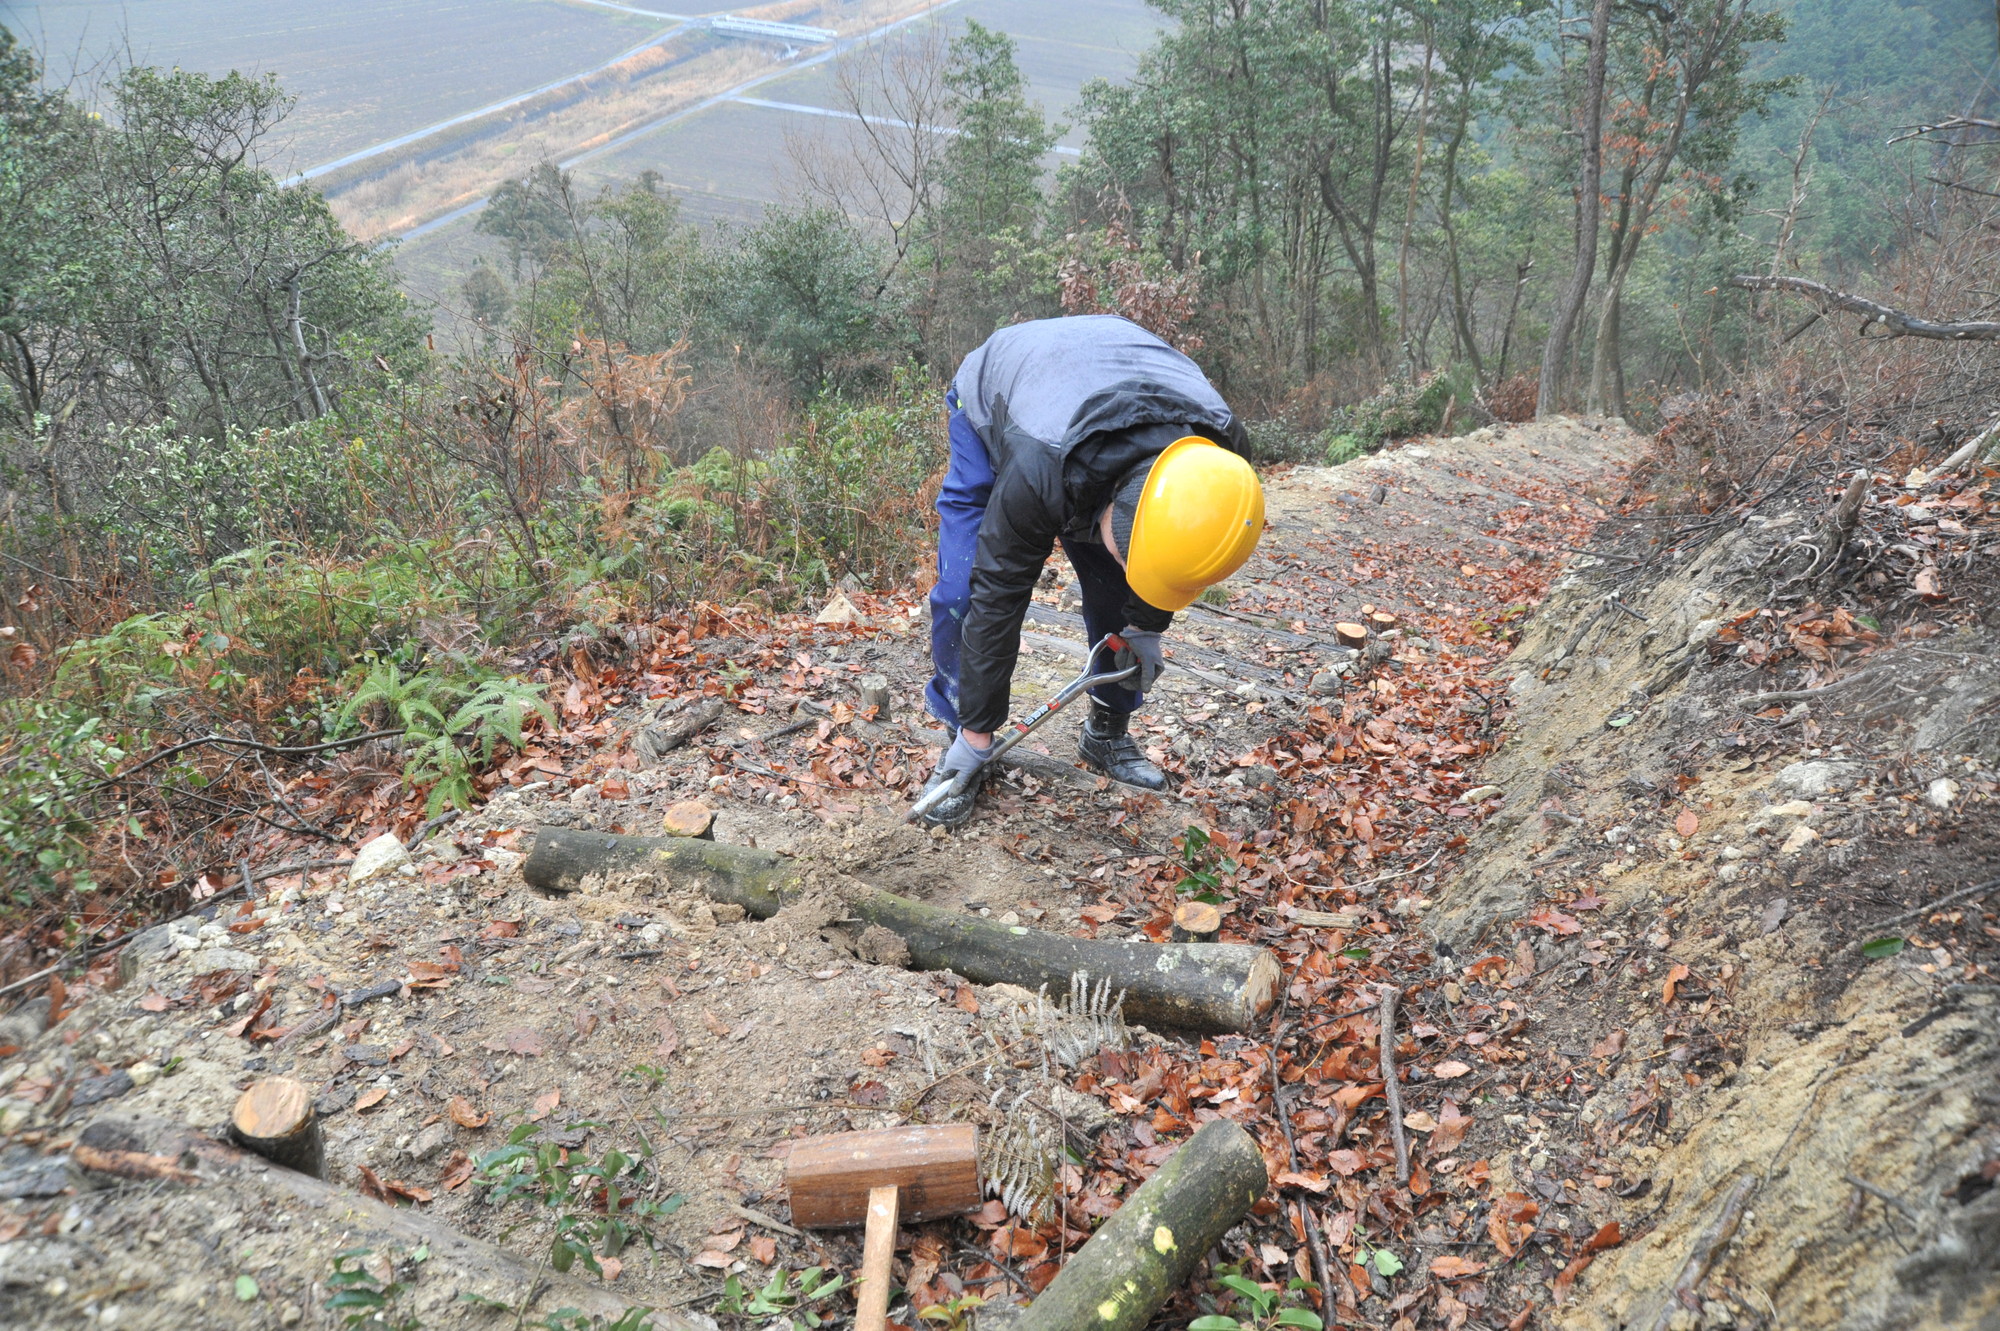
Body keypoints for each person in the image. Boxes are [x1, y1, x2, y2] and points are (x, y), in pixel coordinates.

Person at [919, 313, 1265, 828]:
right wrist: (979, 726)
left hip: (1112, 382)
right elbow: (998, 593)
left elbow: (1177, 556)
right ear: (1111, 513)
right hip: (1003, 394)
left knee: (1114, 589)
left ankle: (1107, 730)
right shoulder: (1038, 468)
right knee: (964, 592)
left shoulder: (1223, 465)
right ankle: (963, 741)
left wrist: (1144, 624)